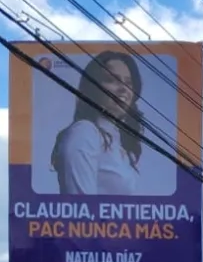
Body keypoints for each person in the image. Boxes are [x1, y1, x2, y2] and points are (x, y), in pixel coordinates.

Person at [50, 50, 145, 195]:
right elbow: (81, 208)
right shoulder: (84, 132)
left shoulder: (119, 143)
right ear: (93, 87)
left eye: (128, 83)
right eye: (112, 80)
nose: (123, 89)